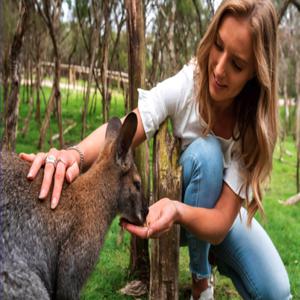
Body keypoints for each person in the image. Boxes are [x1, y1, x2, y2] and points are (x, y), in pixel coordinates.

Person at [20, 0, 292, 299]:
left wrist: (181, 212)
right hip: (170, 215)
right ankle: (201, 281)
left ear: (256, 72)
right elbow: (130, 124)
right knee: (207, 154)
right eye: (218, 46)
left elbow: (221, 222)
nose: (219, 67)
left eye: (237, 64)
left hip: (214, 217)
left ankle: (212, 259)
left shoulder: (251, 126)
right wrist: (75, 154)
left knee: (277, 291)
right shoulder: (190, 84)